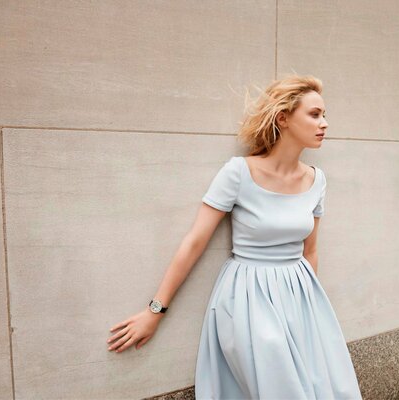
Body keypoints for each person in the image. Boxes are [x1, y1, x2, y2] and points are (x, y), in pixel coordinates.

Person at [106, 74, 363, 399]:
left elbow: (310, 251)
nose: (324, 123)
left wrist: (306, 311)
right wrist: (154, 311)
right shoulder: (238, 173)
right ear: (283, 118)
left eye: (324, 115)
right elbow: (194, 242)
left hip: (300, 295)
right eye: (315, 114)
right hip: (248, 294)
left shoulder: (317, 180)